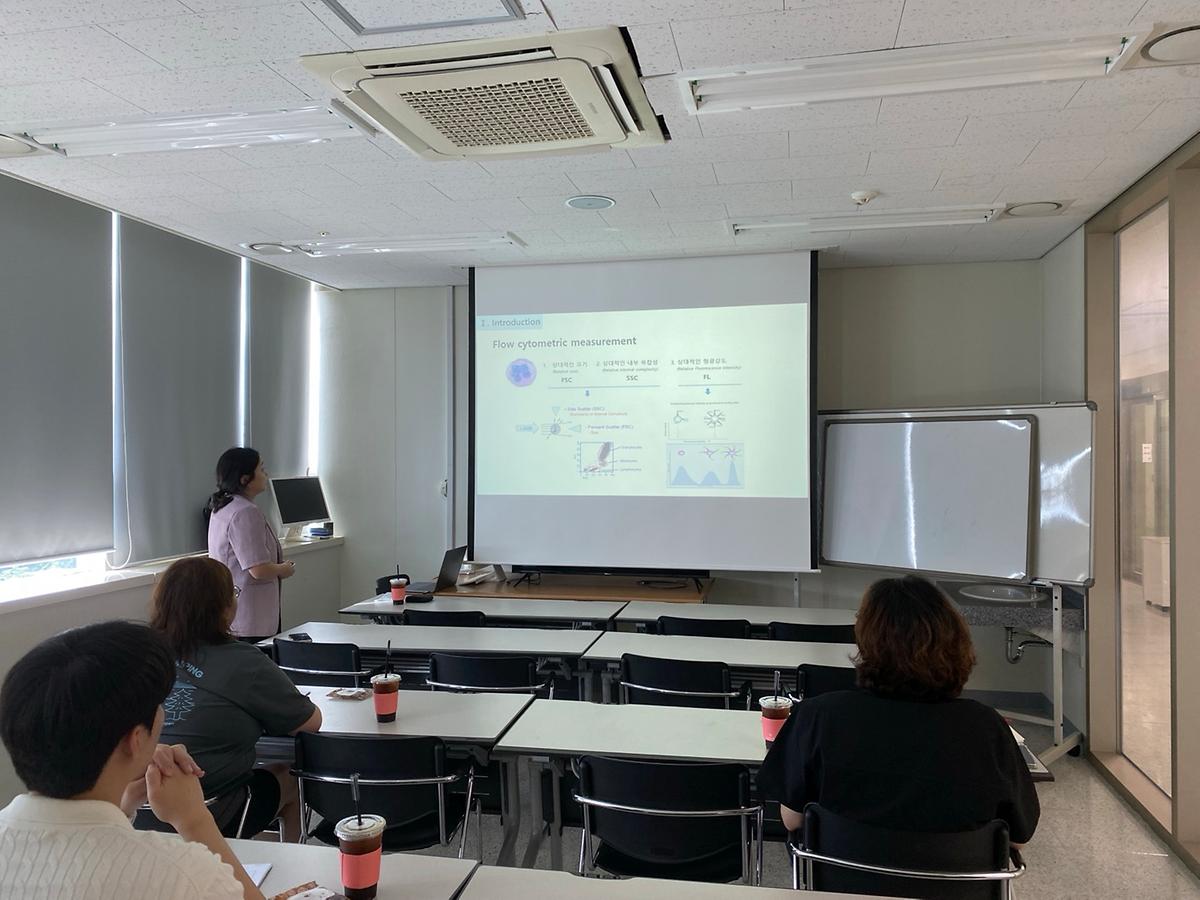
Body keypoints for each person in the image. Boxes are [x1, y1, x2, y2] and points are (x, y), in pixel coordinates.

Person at [758, 574, 1039, 847]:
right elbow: (1017, 838)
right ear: (955, 641)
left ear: (866, 640)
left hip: (843, 874)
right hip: (957, 876)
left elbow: (792, 820)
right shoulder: (986, 728)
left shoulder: (819, 716)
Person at [0, 620, 265, 900]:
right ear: (136, 739)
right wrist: (194, 820)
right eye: (159, 704)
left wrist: (122, 804)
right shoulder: (183, 875)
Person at [150, 557, 322, 841]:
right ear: (223, 607)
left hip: (135, 808)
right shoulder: (244, 661)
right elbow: (309, 723)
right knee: (290, 776)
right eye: (233, 592)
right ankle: (287, 859)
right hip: (211, 808)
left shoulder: (139, 654)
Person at [206, 447, 295, 641]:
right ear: (245, 479)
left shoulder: (224, 506)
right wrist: (284, 569)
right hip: (251, 616)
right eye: (261, 469)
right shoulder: (245, 512)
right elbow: (258, 569)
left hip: (234, 610)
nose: (266, 474)